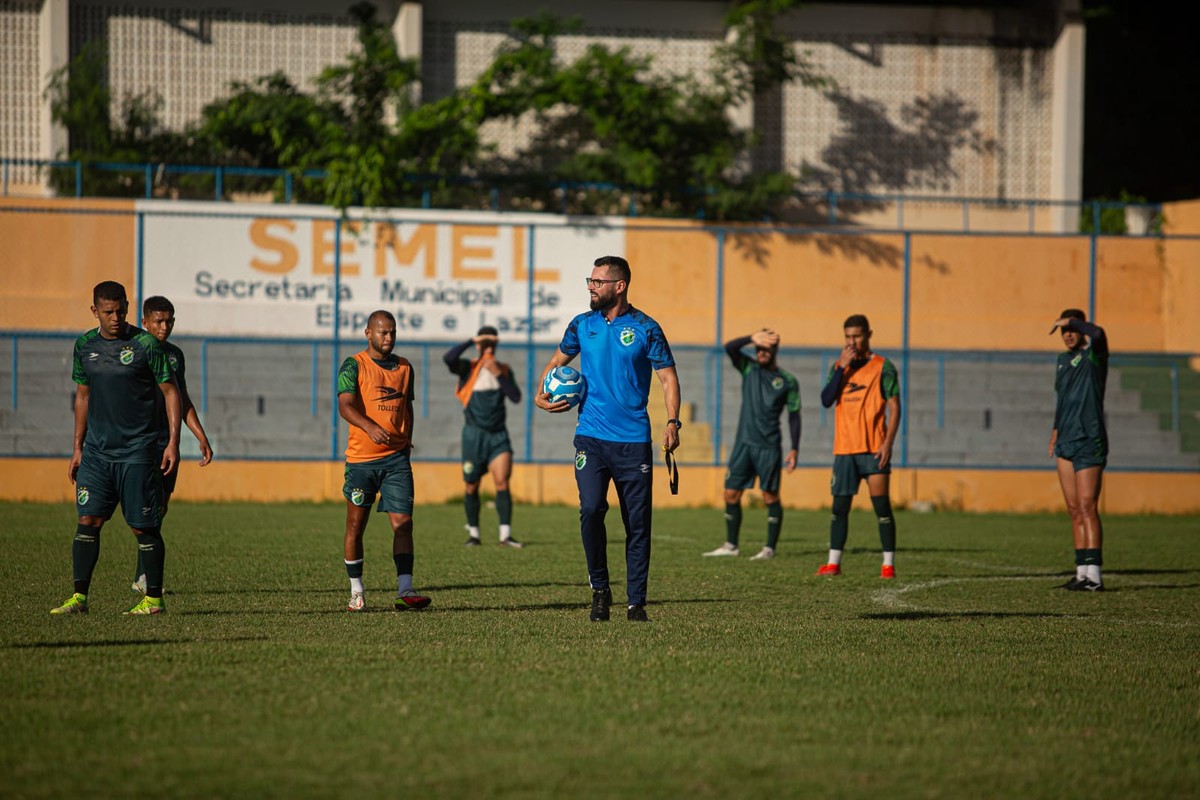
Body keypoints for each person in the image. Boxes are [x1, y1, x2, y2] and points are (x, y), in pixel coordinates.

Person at [535, 255, 681, 623]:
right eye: (590, 280)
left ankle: (636, 603)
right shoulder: (582, 325)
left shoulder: (646, 328)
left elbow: (668, 378)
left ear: (620, 286)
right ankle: (600, 589)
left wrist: (673, 422)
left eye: (597, 282)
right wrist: (541, 393)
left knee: (637, 523)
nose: (590, 287)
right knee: (591, 510)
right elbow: (557, 362)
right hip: (591, 437)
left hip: (633, 441)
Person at [51, 281, 182, 616]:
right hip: (96, 452)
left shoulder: (145, 345)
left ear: (127, 306)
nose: (115, 318)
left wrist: (173, 443)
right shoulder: (85, 346)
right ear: (95, 310)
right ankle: (79, 598)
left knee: (143, 526)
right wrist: (77, 447)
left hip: (138, 451)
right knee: (88, 520)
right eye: (108, 312)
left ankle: (153, 599)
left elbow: (171, 392)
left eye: (120, 311)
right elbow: (82, 396)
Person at [337, 310, 430, 612]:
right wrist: (370, 426)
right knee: (355, 526)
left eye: (392, 332)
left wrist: (407, 439)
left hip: (396, 461)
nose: (388, 337)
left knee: (403, 524)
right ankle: (356, 590)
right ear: (368, 333)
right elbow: (345, 406)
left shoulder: (405, 367)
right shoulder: (353, 365)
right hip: (362, 462)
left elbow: (407, 407)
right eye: (382, 332)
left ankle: (406, 590)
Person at [130, 295, 215, 595]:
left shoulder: (175, 355)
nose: (165, 327)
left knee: (160, 508)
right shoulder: (132, 351)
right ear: (145, 322)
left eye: (169, 321)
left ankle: (142, 576)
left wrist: (200, 436)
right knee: (139, 511)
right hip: (134, 442)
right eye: (158, 321)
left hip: (164, 444)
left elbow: (183, 397)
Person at [703, 329, 801, 561]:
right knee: (730, 494)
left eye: (766, 348)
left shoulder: (787, 381)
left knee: (769, 496)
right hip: (743, 444)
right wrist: (750, 338)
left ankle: (769, 548)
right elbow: (730, 348)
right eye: (758, 348)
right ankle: (731, 545)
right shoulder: (749, 369)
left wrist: (794, 448)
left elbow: (794, 415)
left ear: (774, 350)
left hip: (768, 447)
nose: (761, 352)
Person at [817, 314, 901, 579]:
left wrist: (888, 443)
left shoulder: (883, 366)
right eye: (848, 337)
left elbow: (895, 406)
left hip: (874, 448)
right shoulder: (840, 367)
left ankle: (887, 565)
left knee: (881, 507)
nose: (852, 341)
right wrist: (842, 367)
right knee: (839, 508)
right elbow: (826, 400)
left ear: (868, 334)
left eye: (857, 336)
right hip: (844, 449)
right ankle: (834, 564)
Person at [443, 326, 523, 548]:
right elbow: (448, 358)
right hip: (473, 436)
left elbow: (516, 397)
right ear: (478, 344)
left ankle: (505, 536)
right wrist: (471, 339)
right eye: (484, 343)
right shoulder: (468, 368)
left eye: (491, 343)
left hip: (498, 435)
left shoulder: (503, 369)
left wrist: (498, 374)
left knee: (502, 482)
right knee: (471, 486)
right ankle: (474, 535)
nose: (488, 347)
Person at [1048, 309, 1109, 592]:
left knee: (1087, 506)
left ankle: (1094, 577)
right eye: (1063, 331)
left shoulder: (1093, 357)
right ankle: (1081, 572)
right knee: (1073, 509)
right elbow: (1063, 401)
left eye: (1071, 329)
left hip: (1088, 439)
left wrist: (1073, 322)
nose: (1068, 334)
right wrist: (1055, 431)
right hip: (1066, 441)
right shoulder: (1062, 361)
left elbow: (1098, 334)